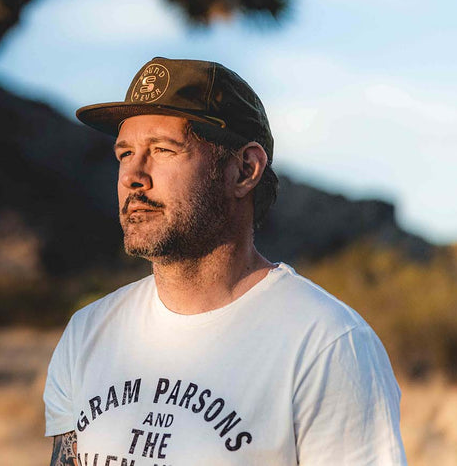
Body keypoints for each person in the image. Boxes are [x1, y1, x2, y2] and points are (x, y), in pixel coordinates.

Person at [44, 57, 406, 466]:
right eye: (125, 153)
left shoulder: (327, 344)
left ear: (244, 170)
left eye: (163, 150)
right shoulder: (87, 334)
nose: (133, 176)